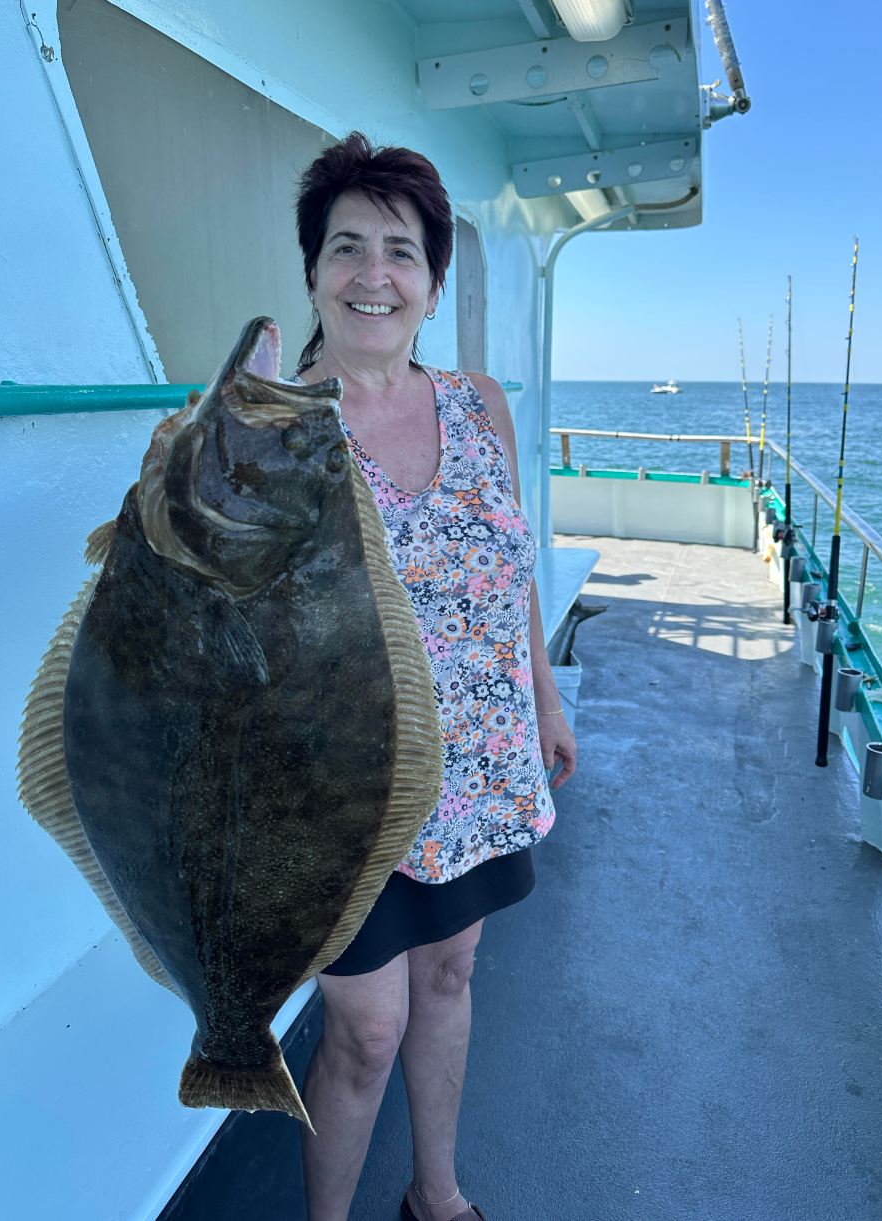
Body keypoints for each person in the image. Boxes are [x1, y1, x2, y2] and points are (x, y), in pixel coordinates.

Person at [291, 132, 577, 1221]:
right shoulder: (274, 427)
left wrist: (544, 699)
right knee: (365, 1029)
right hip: (341, 794)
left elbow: (513, 571)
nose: (375, 276)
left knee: (451, 978)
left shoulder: (478, 404)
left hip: (483, 763)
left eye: (400, 252)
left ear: (432, 279)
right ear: (314, 270)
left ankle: (436, 1194)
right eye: (346, 248)